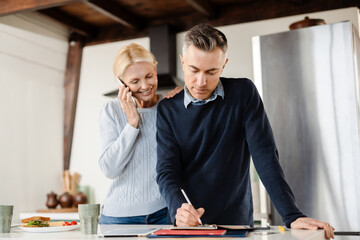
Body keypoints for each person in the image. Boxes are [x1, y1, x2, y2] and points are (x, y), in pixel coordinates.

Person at [156, 23, 335, 239]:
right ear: (182, 62)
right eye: (194, 70)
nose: (201, 82)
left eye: (211, 71)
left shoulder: (243, 94)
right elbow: (167, 171)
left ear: (224, 66)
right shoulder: (167, 108)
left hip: (235, 224)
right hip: (186, 225)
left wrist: (292, 215)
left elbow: (265, 157)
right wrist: (179, 208)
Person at [98, 43, 182, 224]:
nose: (145, 86)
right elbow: (110, 169)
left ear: (155, 69)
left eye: (149, 76)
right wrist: (132, 123)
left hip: (163, 213)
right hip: (117, 218)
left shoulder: (170, 106)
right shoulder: (111, 110)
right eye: (135, 81)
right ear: (122, 83)